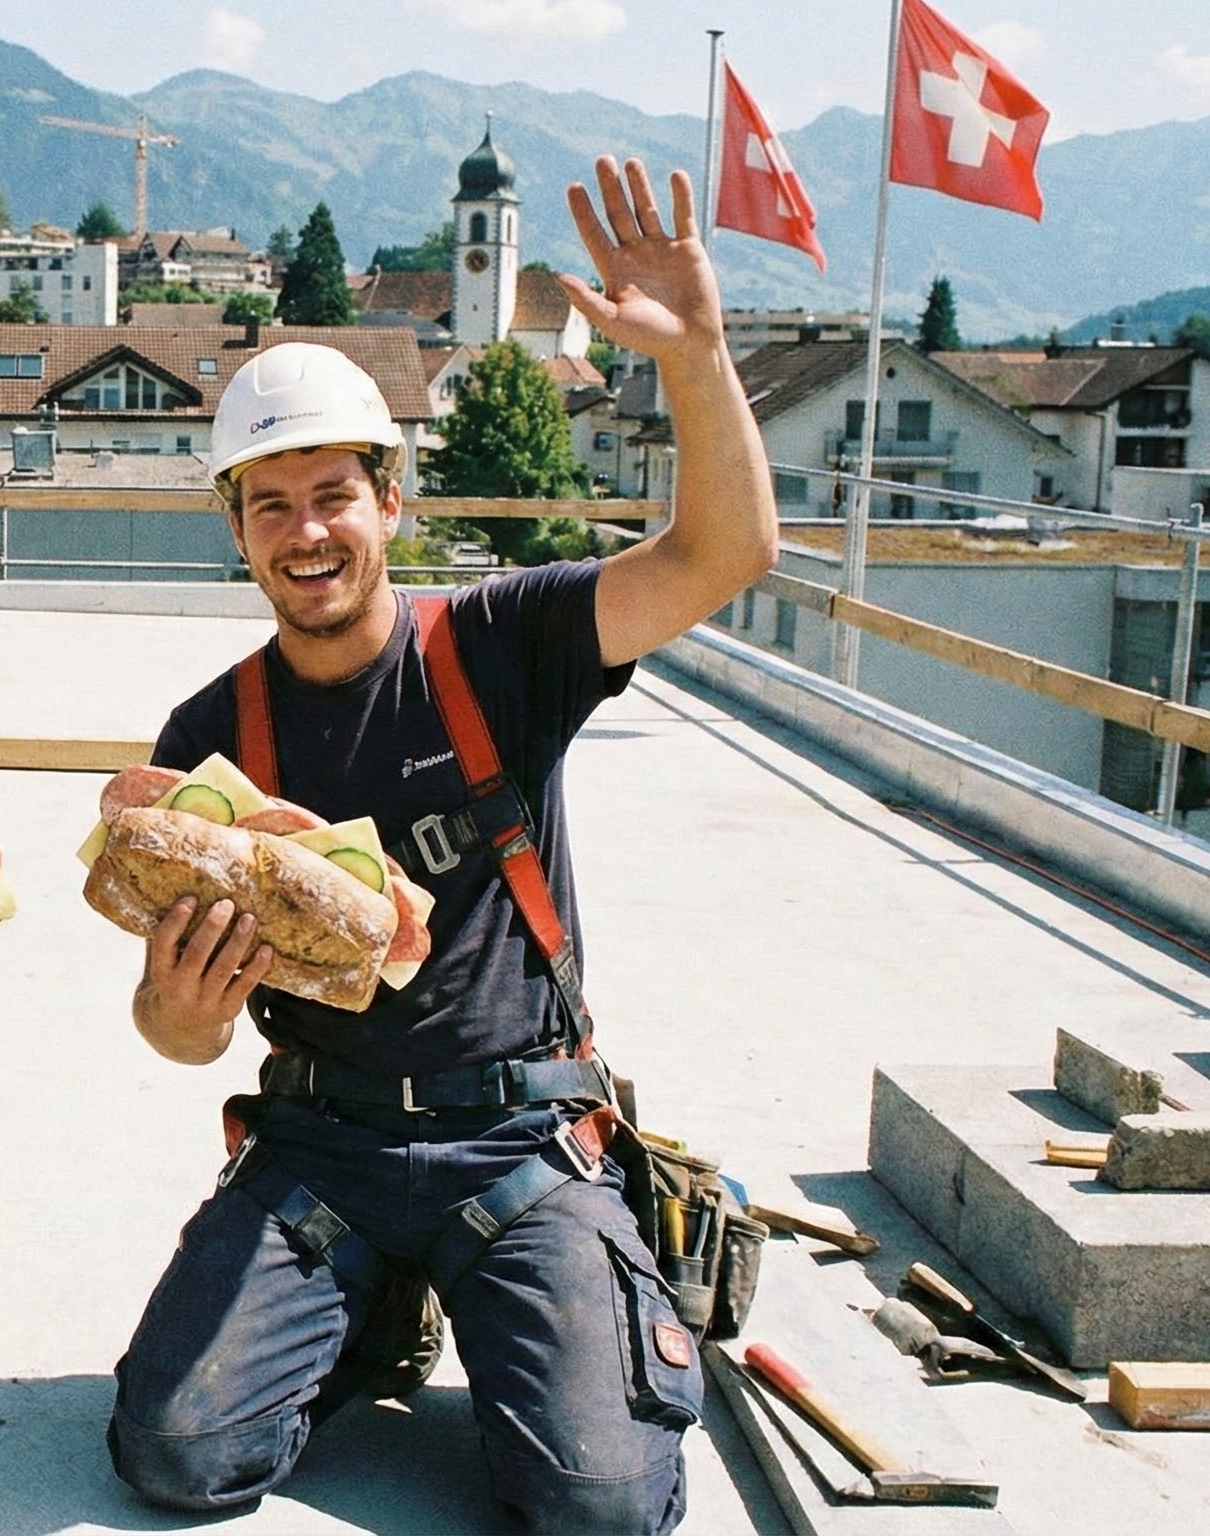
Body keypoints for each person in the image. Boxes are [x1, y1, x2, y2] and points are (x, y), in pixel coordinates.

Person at [105, 157, 777, 1533]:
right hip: (320, 1144)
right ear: (235, 528)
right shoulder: (206, 740)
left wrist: (700, 356)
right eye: (270, 503)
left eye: (333, 494)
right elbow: (177, 1040)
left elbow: (724, 553)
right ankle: (371, 1306)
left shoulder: (497, 645)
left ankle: (536, 1295)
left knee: (597, 1512)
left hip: (522, 1138)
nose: (307, 531)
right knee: (176, 1456)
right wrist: (180, 1007)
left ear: (391, 500)